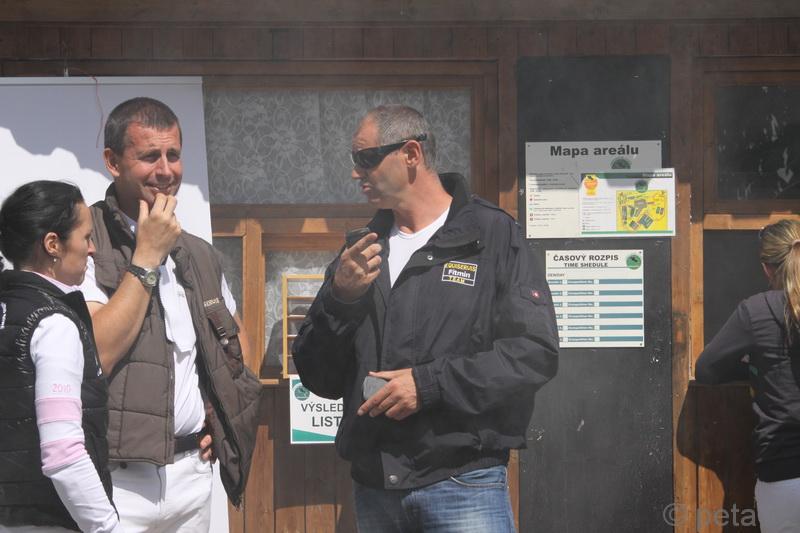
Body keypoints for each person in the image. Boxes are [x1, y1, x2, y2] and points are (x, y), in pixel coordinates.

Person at [292, 104, 559, 532]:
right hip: (375, 489)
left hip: (464, 484)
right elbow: (317, 376)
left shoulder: (492, 236)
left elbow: (533, 354)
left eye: (366, 158)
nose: (356, 172)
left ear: (411, 154)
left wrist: (428, 385)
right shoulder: (361, 250)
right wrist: (340, 299)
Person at [79, 97, 261, 532]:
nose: (165, 171)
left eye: (174, 155)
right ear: (112, 162)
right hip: (116, 480)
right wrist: (146, 256)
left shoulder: (199, 252)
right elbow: (98, 352)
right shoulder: (84, 240)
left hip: (192, 474)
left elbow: (237, 346)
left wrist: (219, 417)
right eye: (149, 156)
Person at [0, 181, 120, 532]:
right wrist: (107, 527)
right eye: (86, 237)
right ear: (53, 244)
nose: (92, 249)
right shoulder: (53, 325)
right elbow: (63, 453)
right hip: (51, 520)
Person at [696, 219, 800, 533]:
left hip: (783, 476)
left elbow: (706, 369)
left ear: (767, 269)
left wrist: (755, 368)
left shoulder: (756, 311)